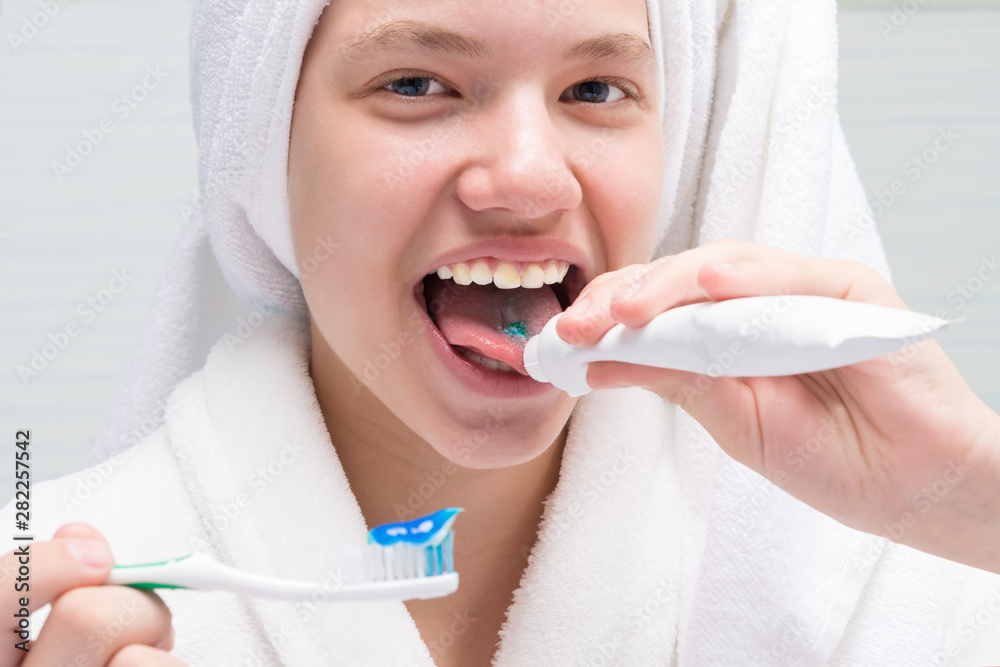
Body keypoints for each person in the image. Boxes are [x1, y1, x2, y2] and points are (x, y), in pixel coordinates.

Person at [3, 0, 999, 664]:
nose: (526, 179)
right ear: (263, 147)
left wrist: (970, 495)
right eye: (415, 83)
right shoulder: (43, 600)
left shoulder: (921, 590)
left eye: (595, 91)